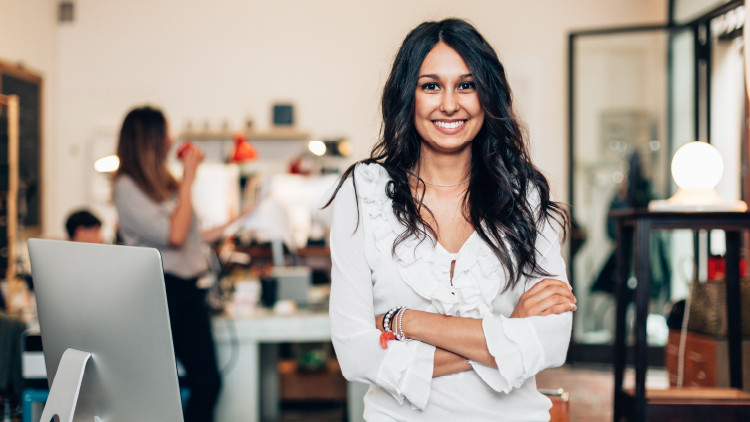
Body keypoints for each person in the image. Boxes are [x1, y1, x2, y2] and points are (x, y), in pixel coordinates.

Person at [326, 19, 577, 421]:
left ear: (487, 95)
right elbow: (356, 354)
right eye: (430, 86)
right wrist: (507, 332)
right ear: (408, 96)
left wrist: (406, 321)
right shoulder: (364, 193)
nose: (449, 104)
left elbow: (552, 342)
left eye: (466, 85)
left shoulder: (524, 195)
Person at [113, 105, 251, 421]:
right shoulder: (127, 188)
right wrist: (189, 180)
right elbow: (174, 235)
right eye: (165, 133)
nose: (171, 139)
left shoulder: (164, 184)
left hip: (187, 292)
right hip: (159, 293)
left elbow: (191, 236)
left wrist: (239, 221)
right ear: (149, 139)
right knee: (165, 387)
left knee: (208, 383)